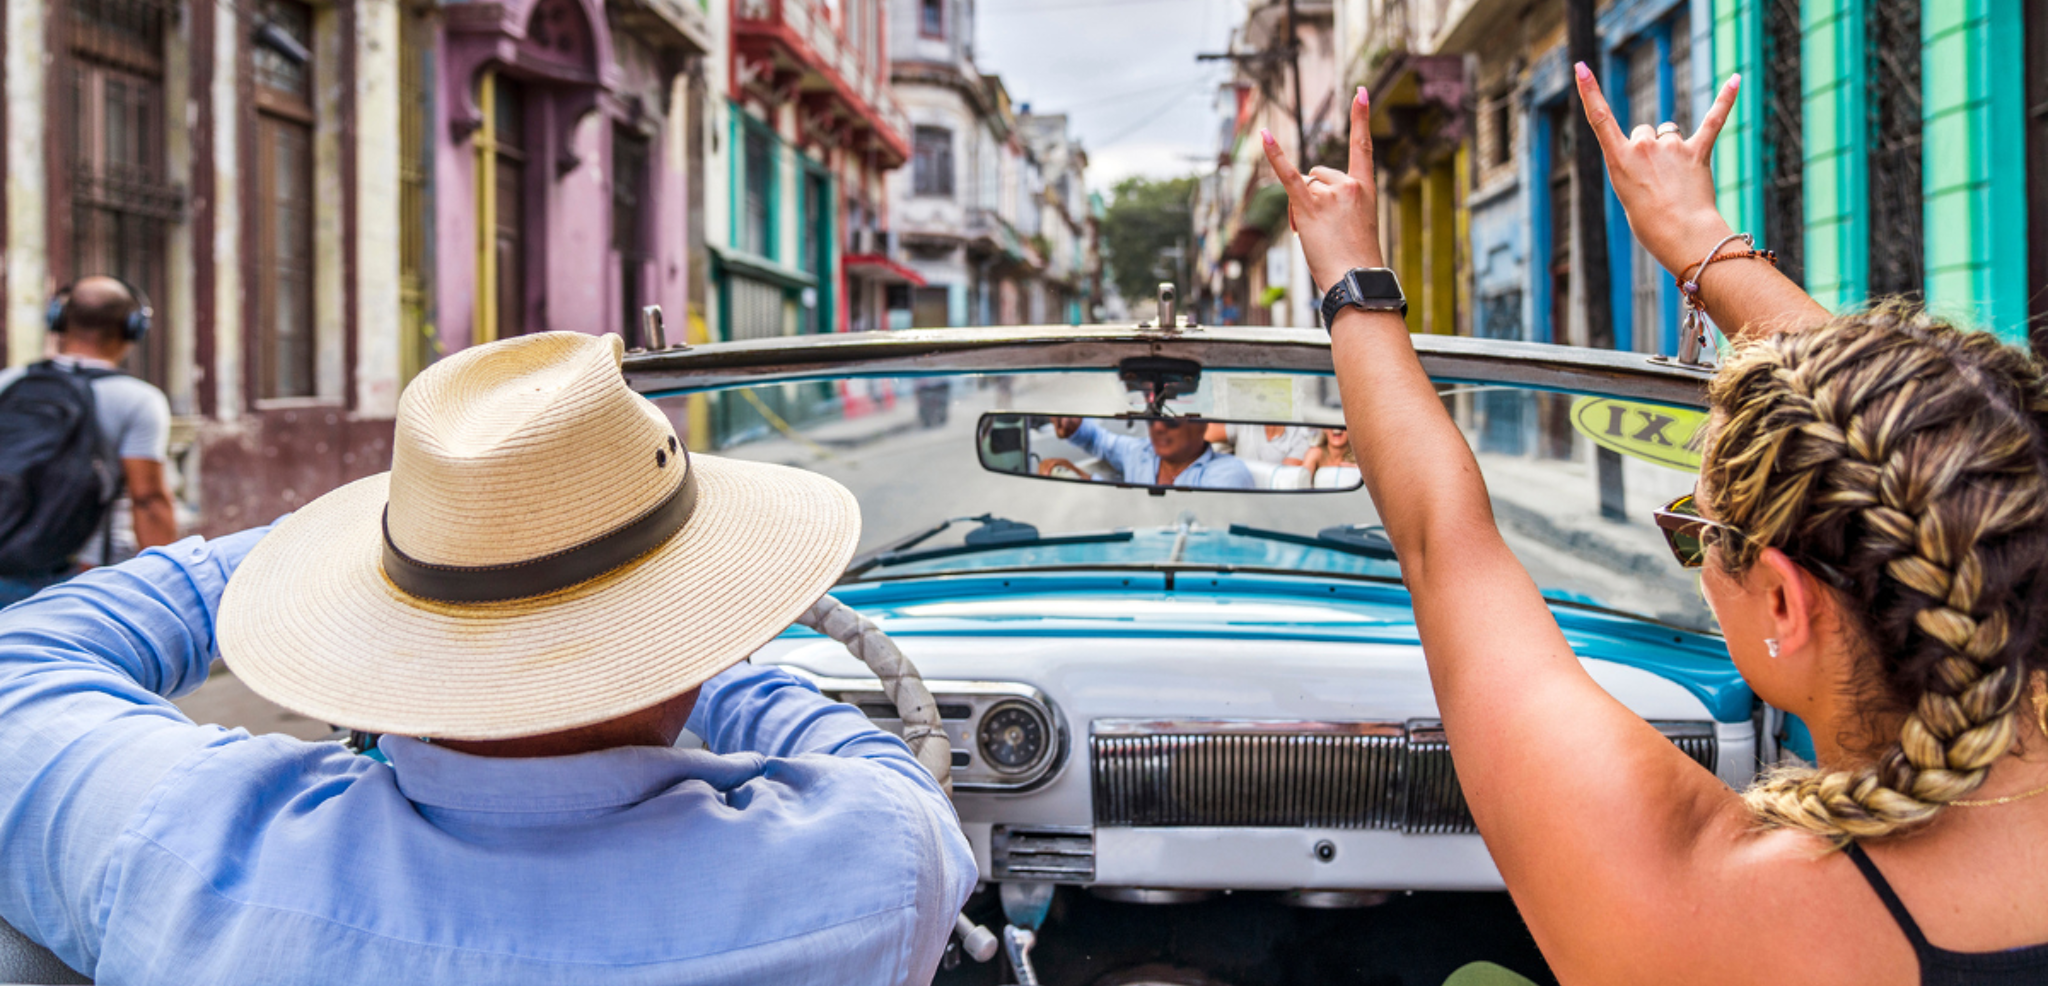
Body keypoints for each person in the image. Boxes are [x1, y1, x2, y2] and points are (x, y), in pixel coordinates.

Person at [1266, 73, 2048, 986]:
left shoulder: (1717, 911)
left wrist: (1347, 271)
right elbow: (1925, 448)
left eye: (1698, 532)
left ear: (1788, 602)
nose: (1696, 553)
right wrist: (1700, 241)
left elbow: (1446, 542)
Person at [0, 332, 976, 984]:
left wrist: (331, 550)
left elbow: (26, 663)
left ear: (390, 623)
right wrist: (717, 642)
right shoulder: (868, 868)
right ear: (699, 641)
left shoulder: (189, 845)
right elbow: (903, 791)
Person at [0, 276, 174, 606]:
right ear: (132, 327)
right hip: (75, 576)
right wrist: (165, 586)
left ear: (58, 320)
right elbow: (148, 499)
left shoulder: (9, 382)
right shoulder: (137, 400)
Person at [1052, 416, 1254, 490]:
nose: (1157, 427)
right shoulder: (1141, 452)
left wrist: (1086, 480)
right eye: (1151, 418)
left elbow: (1169, 521)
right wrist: (1072, 426)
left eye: (1170, 420)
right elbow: (1097, 440)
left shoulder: (1228, 474)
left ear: (1202, 425)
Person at [1204, 422, 1314, 466]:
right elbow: (1203, 434)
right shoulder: (1245, 423)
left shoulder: (1298, 435)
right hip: (1239, 494)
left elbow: (1284, 478)